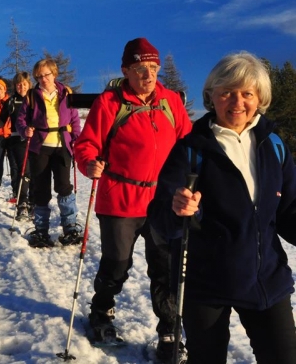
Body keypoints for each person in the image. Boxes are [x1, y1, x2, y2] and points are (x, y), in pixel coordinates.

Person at [148, 51, 296, 364]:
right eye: (226, 92)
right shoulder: (191, 149)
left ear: (260, 99)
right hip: (206, 283)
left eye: (247, 94)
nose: (237, 102)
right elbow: (160, 219)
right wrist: (178, 210)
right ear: (211, 96)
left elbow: (289, 213)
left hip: (266, 279)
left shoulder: (274, 146)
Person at [73, 38, 192, 360]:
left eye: (153, 68)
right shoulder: (110, 102)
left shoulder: (170, 102)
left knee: (164, 269)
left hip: (163, 200)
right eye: (141, 69)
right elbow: (86, 144)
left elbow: (189, 145)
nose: (148, 75)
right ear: (126, 70)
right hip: (120, 198)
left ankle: (168, 331)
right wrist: (89, 162)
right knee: (117, 264)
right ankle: (101, 313)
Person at [16, 58, 82, 247]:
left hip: (62, 145)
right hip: (40, 146)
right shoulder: (31, 95)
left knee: (64, 186)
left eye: (46, 74)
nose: (43, 78)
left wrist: (75, 137)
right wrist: (24, 130)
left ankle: (70, 227)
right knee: (41, 189)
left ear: (54, 73)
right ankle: (41, 230)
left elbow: (75, 118)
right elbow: (20, 121)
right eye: (39, 76)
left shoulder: (66, 93)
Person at [6, 72, 34, 220]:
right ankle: (22, 203)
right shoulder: (12, 101)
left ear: (29, 84)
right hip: (18, 139)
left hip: (36, 140)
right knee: (24, 171)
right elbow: (2, 118)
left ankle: (34, 202)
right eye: (18, 84)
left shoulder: (35, 99)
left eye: (24, 84)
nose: (21, 87)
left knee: (34, 172)